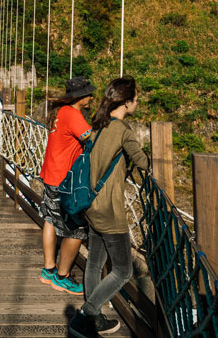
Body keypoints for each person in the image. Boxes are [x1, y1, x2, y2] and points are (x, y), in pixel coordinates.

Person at [70, 76, 149, 337]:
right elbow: (144, 163)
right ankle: (87, 315)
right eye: (136, 99)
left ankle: (96, 320)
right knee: (123, 270)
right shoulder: (123, 131)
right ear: (126, 103)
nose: (137, 103)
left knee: (94, 264)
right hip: (110, 211)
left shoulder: (98, 126)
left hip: (91, 204)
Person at [38, 76, 96, 295]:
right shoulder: (73, 115)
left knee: (51, 219)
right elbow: (92, 140)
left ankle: (48, 269)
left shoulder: (60, 112)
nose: (92, 97)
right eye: (89, 93)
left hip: (50, 174)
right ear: (80, 97)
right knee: (76, 229)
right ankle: (62, 277)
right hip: (64, 180)